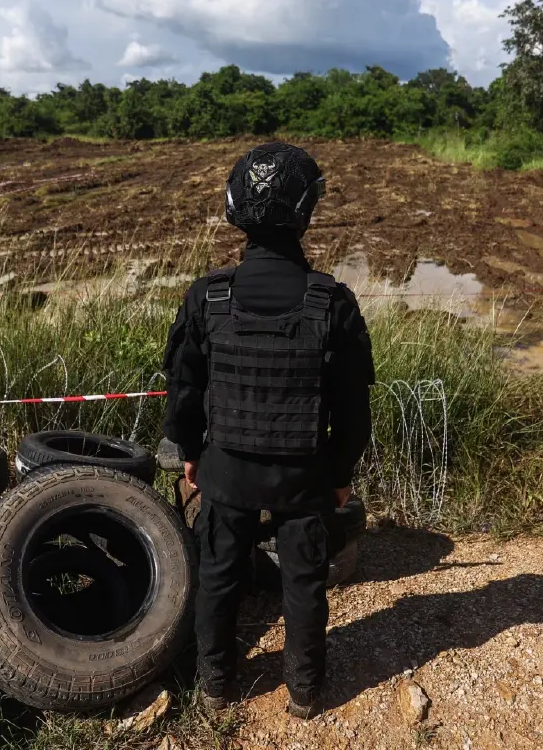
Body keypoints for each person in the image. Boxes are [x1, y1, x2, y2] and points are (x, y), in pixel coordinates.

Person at [161, 142, 375, 719]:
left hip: (225, 469)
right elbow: (352, 409)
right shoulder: (333, 302)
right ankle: (305, 693)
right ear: (305, 210)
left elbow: (184, 391)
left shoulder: (208, 296)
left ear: (235, 206)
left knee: (218, 576)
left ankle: (216, 686)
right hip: (303, 476)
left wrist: (189, 452)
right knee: (303, 584)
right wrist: (340, 474)